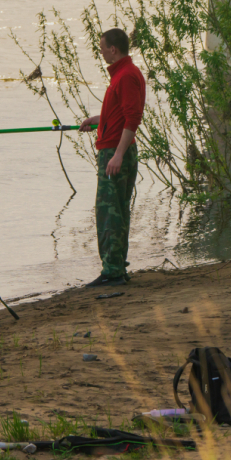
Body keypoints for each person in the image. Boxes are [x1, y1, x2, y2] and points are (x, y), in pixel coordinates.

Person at [79, 29, 146, 287]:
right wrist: (99, 120)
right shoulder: (124, 74)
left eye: (102, 48)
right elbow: (121, 112)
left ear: (113, 50)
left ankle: (113, 270)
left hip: (116, 152)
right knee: (117, 210)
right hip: (117, 149)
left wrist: (117, 155)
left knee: (109, 213)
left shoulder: (126, 76)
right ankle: (116, 265)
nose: (101, 52)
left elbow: (133, 118)